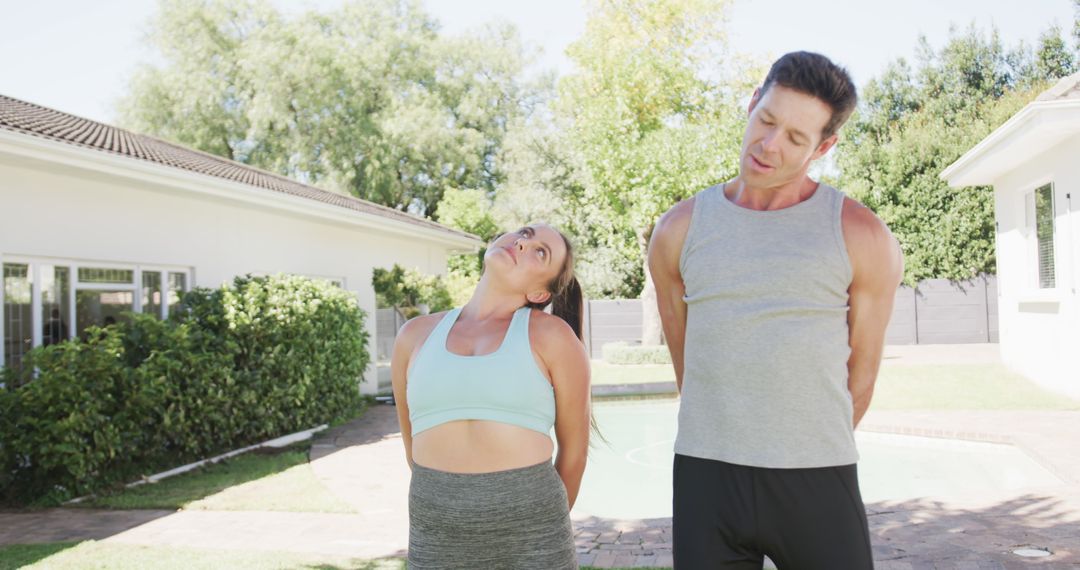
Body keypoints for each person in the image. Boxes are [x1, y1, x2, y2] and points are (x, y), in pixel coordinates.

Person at [649, 51, 904, 569]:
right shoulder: (678, 229)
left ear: (824, 146)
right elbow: (687, 360)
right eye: (767, 121)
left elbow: (863, 374)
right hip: (707, 475)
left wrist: (796, 443)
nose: (769, 146)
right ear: (751, 104)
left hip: (816, 475)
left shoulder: (860, 233)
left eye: (795, 137)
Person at [391, 223, 591, 570]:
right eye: (524, 234)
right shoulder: (413, 336)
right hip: (437, 538)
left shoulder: (553, 337)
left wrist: (536, 524)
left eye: (540, 252)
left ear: (540, 294)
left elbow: (574, 455)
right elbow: (412, 447)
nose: (523, 244)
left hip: (534, 541)